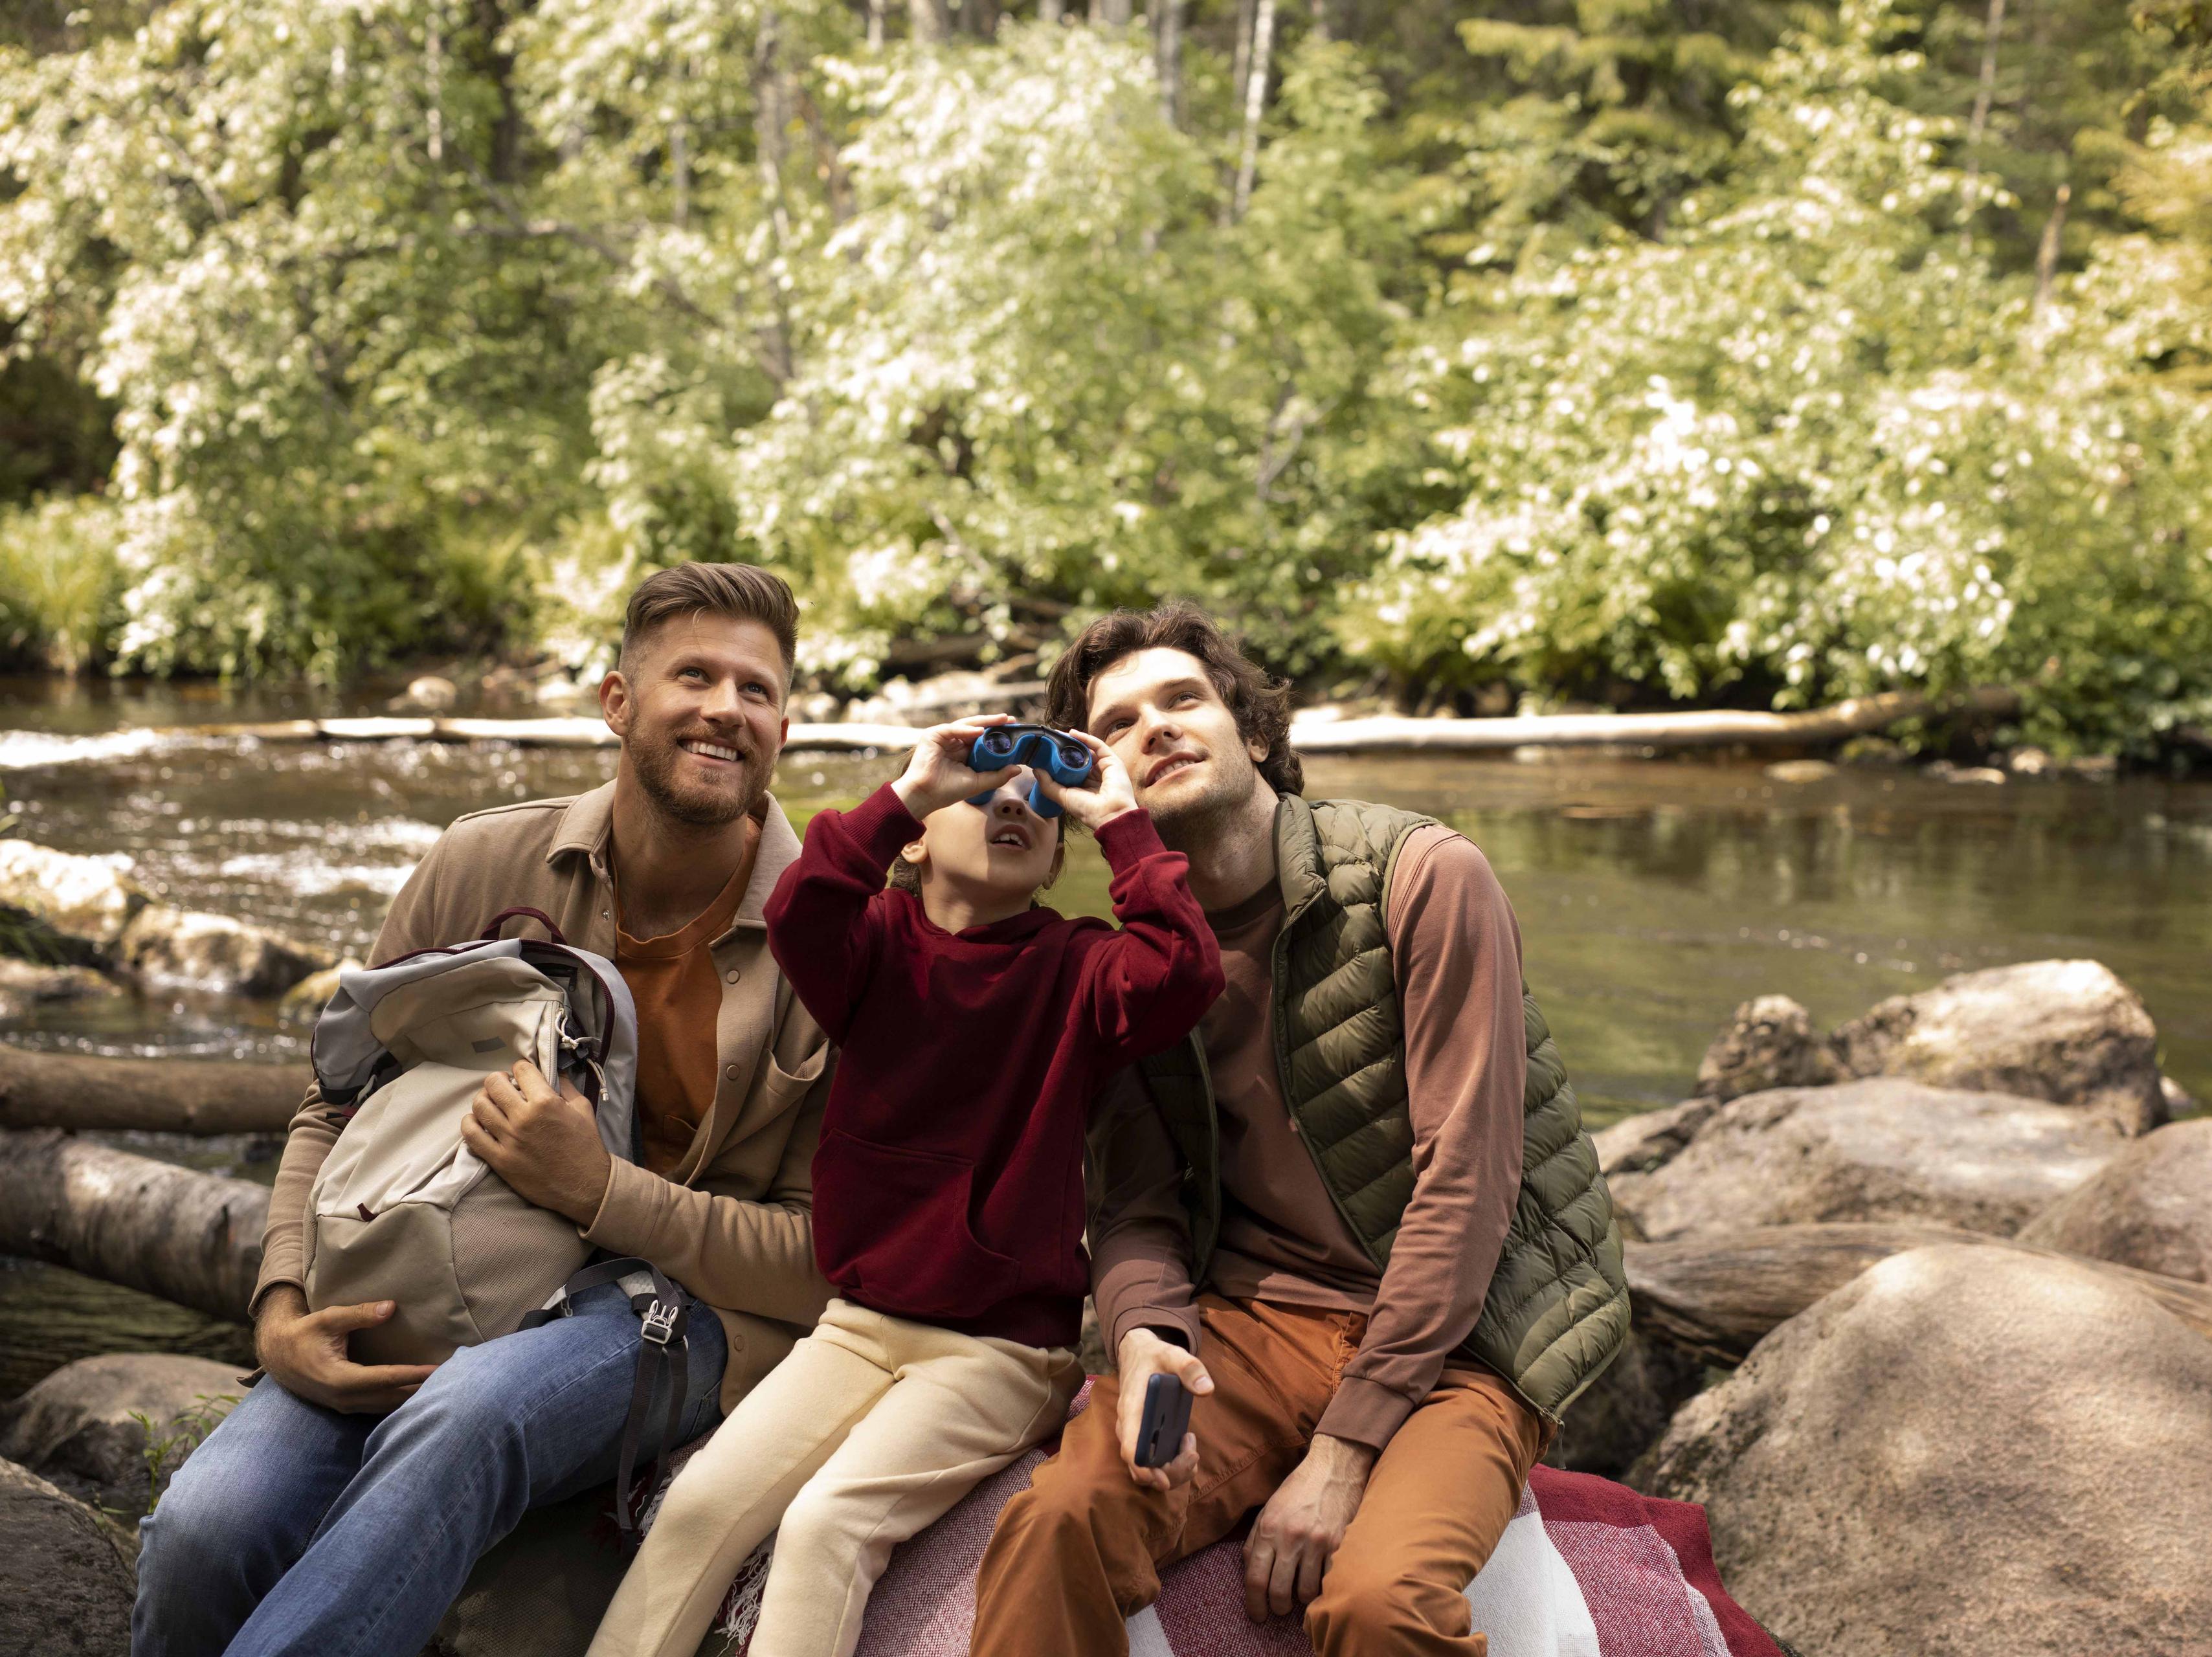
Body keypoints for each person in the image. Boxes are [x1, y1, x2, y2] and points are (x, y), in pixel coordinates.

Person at [135, 564, 837, 1657]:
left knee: (472, 1416)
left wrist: (603, 1192)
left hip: (681, 1313)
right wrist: (277, 1307)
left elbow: (821, 1263)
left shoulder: (838, 942)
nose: (725, 709)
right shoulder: (481, 861)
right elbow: (333, 1108)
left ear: (784, 728)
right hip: (432, 1267)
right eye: (692, 675)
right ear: (617, 701)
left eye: (756, 690)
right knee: (202, 1531)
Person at [968, 601, 1632, 1657]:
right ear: (1103, 788)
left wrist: (1343, 1453)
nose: (1159, 727)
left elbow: (1468, 1187)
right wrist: (1146, 1337)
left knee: (1379, 1603)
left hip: (1463, 1343)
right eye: (1122, 724)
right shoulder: (1132, 961)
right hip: (1248, 1334)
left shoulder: (1422, 878)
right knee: (1058, 1524)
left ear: (1258, 733)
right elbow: (1135, 1207)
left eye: (1185, 699)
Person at [584, 716, 1223, 1657]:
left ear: (1055, 862)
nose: (1015, 801)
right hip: (854, 1324)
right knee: (701, 1506)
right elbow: (803, 907)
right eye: (985, 791)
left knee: (825, 1525)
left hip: (999, 1353)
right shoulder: (871, 946)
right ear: (917, 837)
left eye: (1043, 806)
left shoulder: (1078, 968)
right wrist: (908, 791)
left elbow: (1184, 970)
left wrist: (1121, 819)